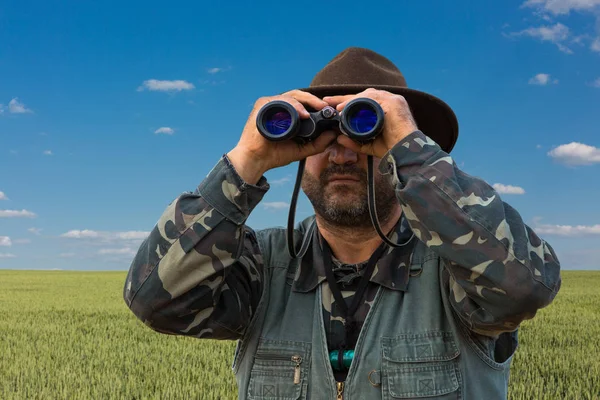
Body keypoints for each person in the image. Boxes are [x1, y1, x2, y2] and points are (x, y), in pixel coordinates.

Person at [123, 47, 561, 399]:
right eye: (321, 135)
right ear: (297, 148)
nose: (344, 154)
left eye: (368, 132)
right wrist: (247, 160)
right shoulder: (262, 266)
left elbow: (523, 286)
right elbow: (154, 301)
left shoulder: (457, 271)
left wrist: (413, 150)